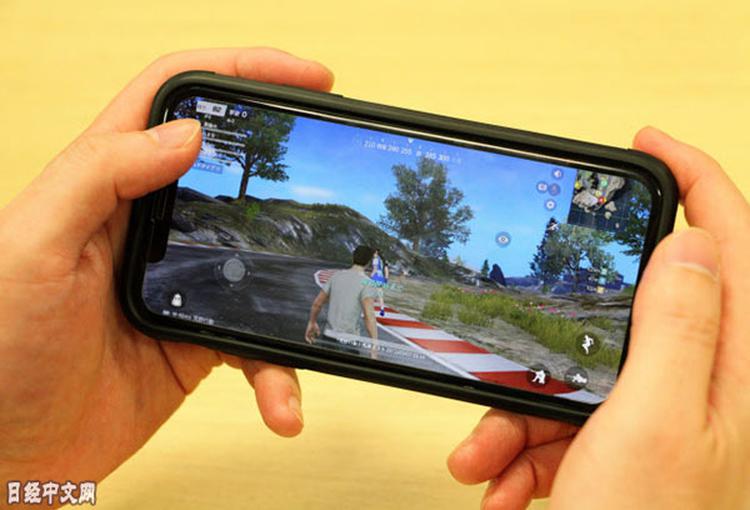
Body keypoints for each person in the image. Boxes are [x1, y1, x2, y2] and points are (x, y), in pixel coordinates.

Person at [0, 47, 747, 509]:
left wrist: (22, 467)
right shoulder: (356, 277)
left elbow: (326, 303)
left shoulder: (344, 277)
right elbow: (347, 305)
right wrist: (23, 465)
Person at [305, 245, 379, 356]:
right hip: (349, 341)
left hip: (328, 337)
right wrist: (374, 345)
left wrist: (312, 322)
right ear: (369, 262)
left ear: (353, 257)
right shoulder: (367, 283)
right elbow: (369, 316)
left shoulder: (336, 276)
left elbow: (317, 304)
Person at [369, 248, 390, 317]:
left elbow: (375, 269)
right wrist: (386, 278)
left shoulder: (375, 260)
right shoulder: (382, 260)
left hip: (375, 277)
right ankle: (382, 309)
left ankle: (369, 308)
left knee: (370, 292)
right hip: (381, 278)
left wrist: (370, 276)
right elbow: (386, 269)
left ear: (375, 253)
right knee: (380, 294)